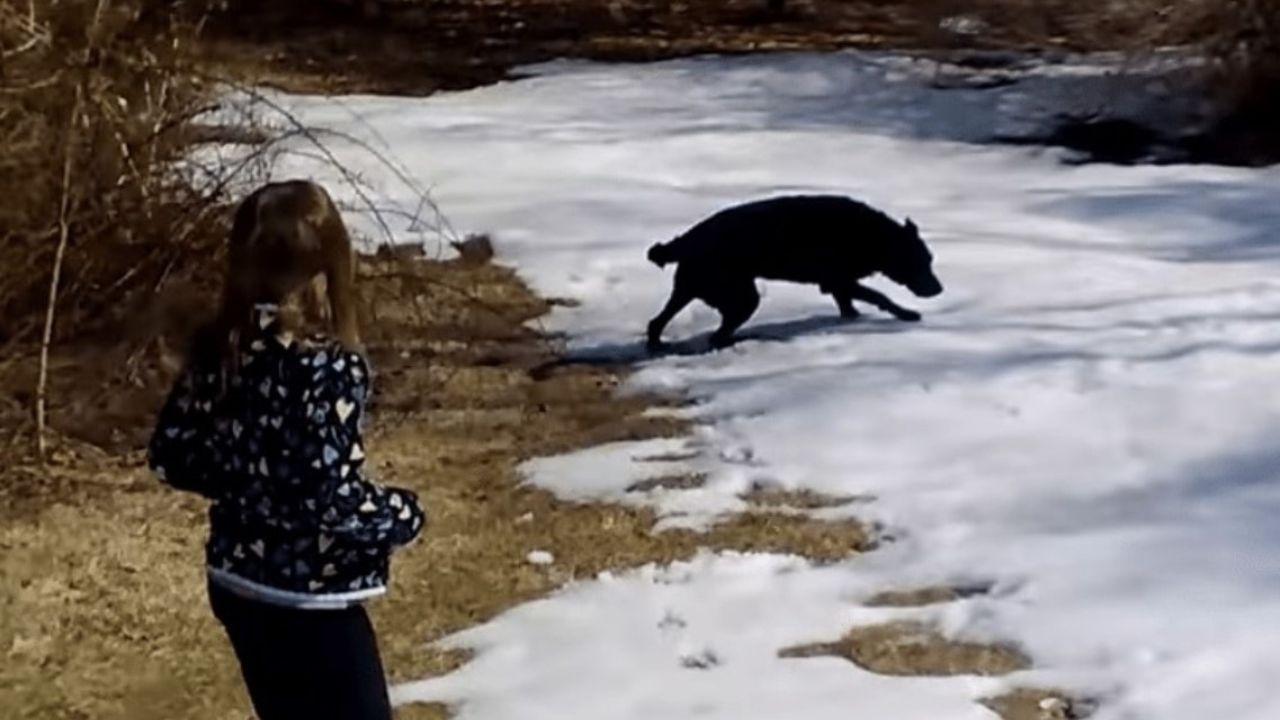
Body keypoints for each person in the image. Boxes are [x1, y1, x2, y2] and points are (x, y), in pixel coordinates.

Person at [148, 186, 424, 719]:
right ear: (335, 266)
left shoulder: (220, 345)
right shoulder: (329, 368)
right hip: (310, 599)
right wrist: (402, 514)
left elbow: (171, 453)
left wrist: (249, 478)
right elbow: (328, 497)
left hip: (237, 584)